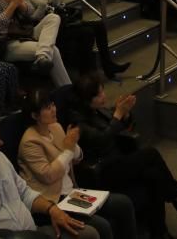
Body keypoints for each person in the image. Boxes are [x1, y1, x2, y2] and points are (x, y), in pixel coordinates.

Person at [66, 73, 177, 239]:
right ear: (87, 99)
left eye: (102, 91)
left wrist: (125, 114)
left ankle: (160, 233)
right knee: (150, 154)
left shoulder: (98, 110)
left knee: (153, 176)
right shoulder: (77, 121)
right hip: (103, 172)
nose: (104, 95)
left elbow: (117, 126)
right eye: (99, 94)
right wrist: (118, 114)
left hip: (118, 162)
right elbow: (101, 141)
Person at [0, 112, 99, 239]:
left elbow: (24, 192)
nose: (1, 143)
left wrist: (52, 210)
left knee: (91, 233)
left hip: (34, 231)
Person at [18, 88, 138, 239]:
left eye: (53, 105)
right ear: (35, 115)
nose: (53, 109)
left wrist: (73, 146)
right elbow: (48, 175)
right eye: (47, 108)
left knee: (124, 203)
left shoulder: (55, 127)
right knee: (103, 226)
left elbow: (77, 158)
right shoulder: (29, 142)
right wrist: (69, 149)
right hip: (55, 200)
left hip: (72, 192)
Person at [4, 0, 129, 78]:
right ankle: (85, 75)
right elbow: (33, 18)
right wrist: (43, 2)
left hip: (58, 20)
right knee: (87, 32)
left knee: (99, 25)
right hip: (44, 29)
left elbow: (54, 4)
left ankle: (108, 65)